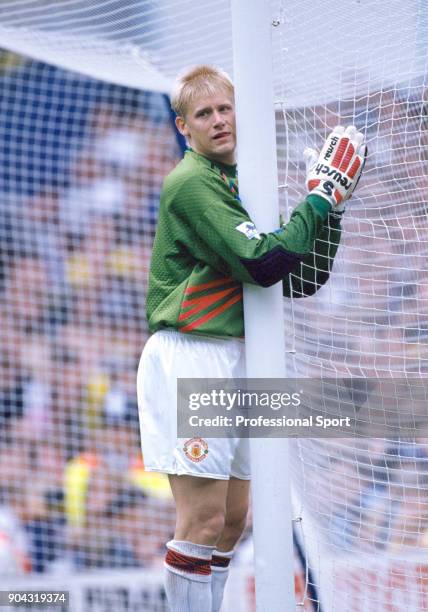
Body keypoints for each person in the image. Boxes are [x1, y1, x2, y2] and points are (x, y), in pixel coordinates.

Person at [137, 65, 367, 611]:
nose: (218, 121)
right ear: (183, 127)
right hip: (193, 356)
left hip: (240, 354)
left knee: (234, 521)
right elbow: (264, 264)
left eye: (225, 109)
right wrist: (318, 200)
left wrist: (328, 208)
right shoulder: (191, 181)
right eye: (204, 114)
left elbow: (300, 280)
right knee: (203, 518)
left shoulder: (239, 181)